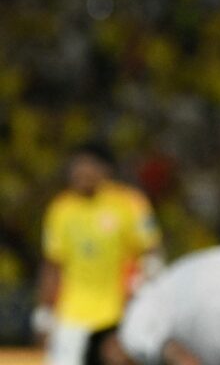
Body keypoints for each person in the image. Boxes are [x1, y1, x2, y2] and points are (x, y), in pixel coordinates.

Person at [34, 142, 163, 365]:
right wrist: (44, 316)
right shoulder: (61, 209)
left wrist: (143, 299)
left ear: (105, 169)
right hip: (71, 316)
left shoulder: (129, 203)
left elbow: (151, 253)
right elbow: (53, 265)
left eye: (88, 165)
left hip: (117, 315)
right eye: (76, 165)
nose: (80, 171)